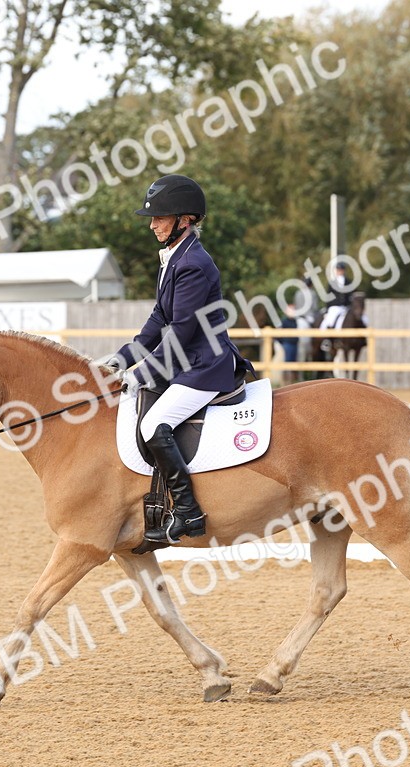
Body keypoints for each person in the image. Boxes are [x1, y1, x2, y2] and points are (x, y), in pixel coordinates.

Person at [101, 174, 252, 549]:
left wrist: (145, 372)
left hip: (204, 366)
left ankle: (187, 510)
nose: (152, 224)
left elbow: (183, 331)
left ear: (184, 220)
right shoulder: (174, 257)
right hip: (188, 361)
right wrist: (123, 359)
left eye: (160, 218)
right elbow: (158, 319)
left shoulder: (193, 264)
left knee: (154, 424)